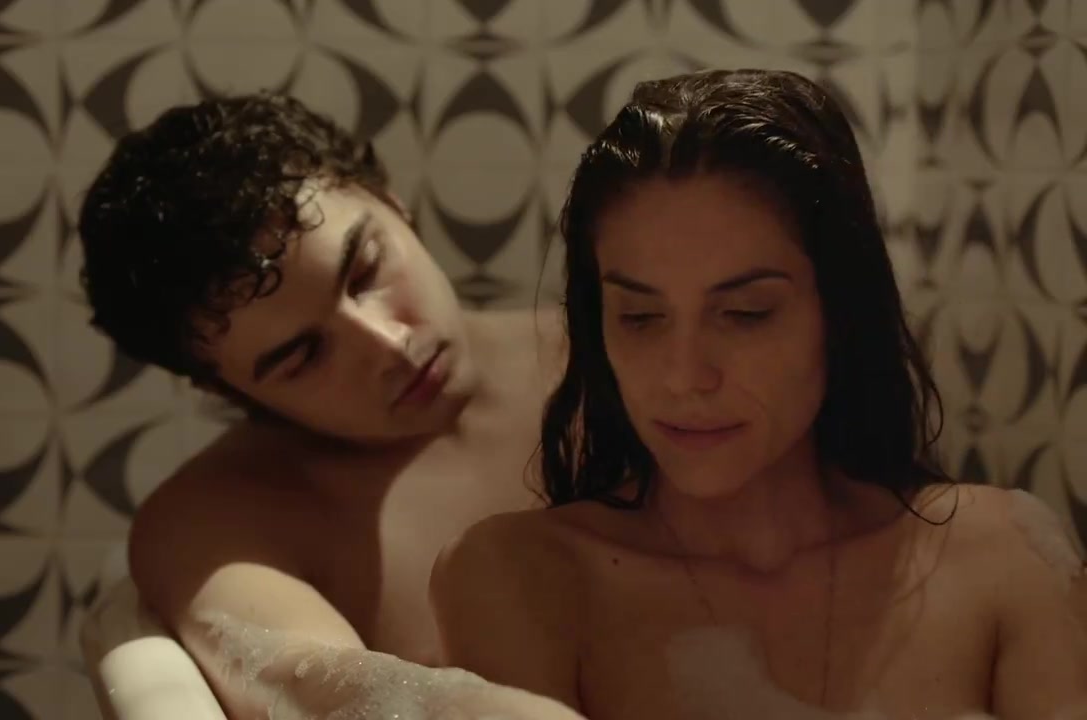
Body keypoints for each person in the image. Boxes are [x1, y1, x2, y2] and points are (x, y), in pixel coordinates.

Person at [430, 68, 1087, 720]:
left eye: (745, 314)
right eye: (640, 317)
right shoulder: (523, 579)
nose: (684, 376)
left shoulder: (1003, 558)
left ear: (840, 310)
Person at [76, 91, 583, 718]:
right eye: (303, 355)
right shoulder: (221, 522)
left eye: (365, 270)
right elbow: (317, 688)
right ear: (227, 389)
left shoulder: (624, 365)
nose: (390, 345)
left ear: (391, 202)